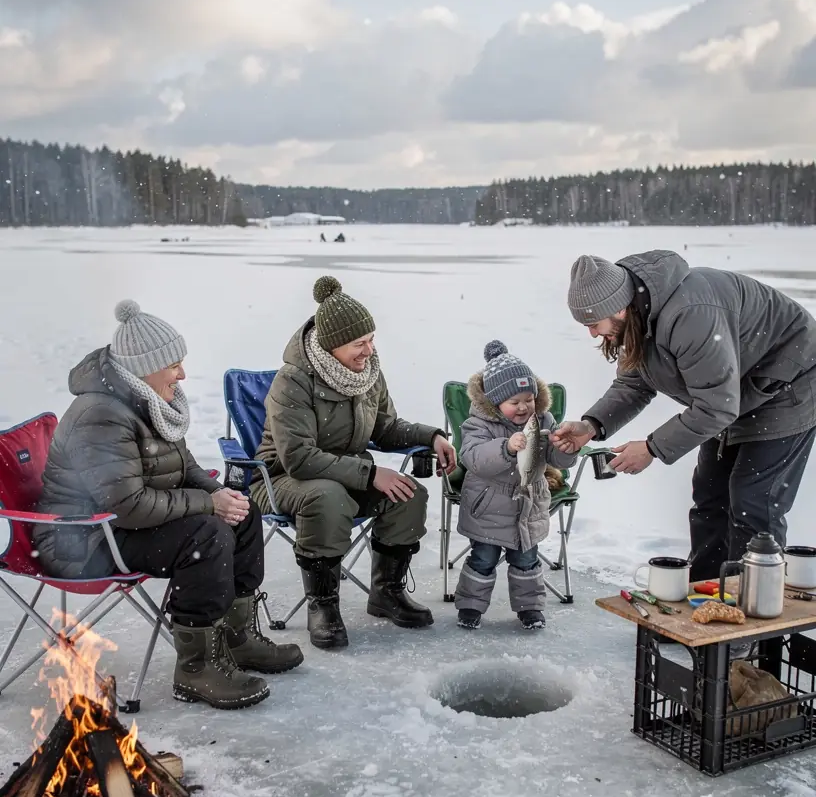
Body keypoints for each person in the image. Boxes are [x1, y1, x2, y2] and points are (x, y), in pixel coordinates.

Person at [34, 301, 303, 709]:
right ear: (145, 367)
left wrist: (223, 499)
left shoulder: (147, 399)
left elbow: (184, 467)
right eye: (174, 365)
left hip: (120, 524)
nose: (183, 375)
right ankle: (196, 669)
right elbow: (127, 504)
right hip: (84, 537)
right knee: (206, 534)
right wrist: (207, 505)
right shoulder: (101, 415)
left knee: (241, 514)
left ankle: (238, 639)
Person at [551, 252, 816, 580]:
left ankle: (753, 620)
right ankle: (703, 598)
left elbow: (717, 406)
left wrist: (650, 448)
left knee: (753, 502)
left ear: (618, 308)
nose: (592, 333)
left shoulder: (691, 315)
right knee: (710, 495)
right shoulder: (638, 316)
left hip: (787, 386)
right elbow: (635, 383)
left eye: (593, 323)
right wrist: (591, 425)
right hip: (733, 393)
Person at [250, 276, 457, 649]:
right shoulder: (292, 382)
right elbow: (297, 457)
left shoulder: (368, 373)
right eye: (358, 343)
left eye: (371, 339)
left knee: (408, 495)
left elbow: (386, 426)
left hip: (345, 476)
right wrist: (371, 473)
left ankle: (387, 592)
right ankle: (323, 606)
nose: (369, 350)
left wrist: (431, 436)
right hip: (281, 480)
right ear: (331, 346)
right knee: (327, 498)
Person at [454, 341, 576, 630]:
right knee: (483, 559)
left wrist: (564, 448)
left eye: (529, 399)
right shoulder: (478, 425)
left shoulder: (543, 420)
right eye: (514, 402)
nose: (523, 407)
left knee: (527, 560)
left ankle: (530, 609)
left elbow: (555, 458)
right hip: (489, 508)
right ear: (495, 403)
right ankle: (470, 606)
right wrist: (505, 448)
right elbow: (473, 458)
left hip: (528, 505)